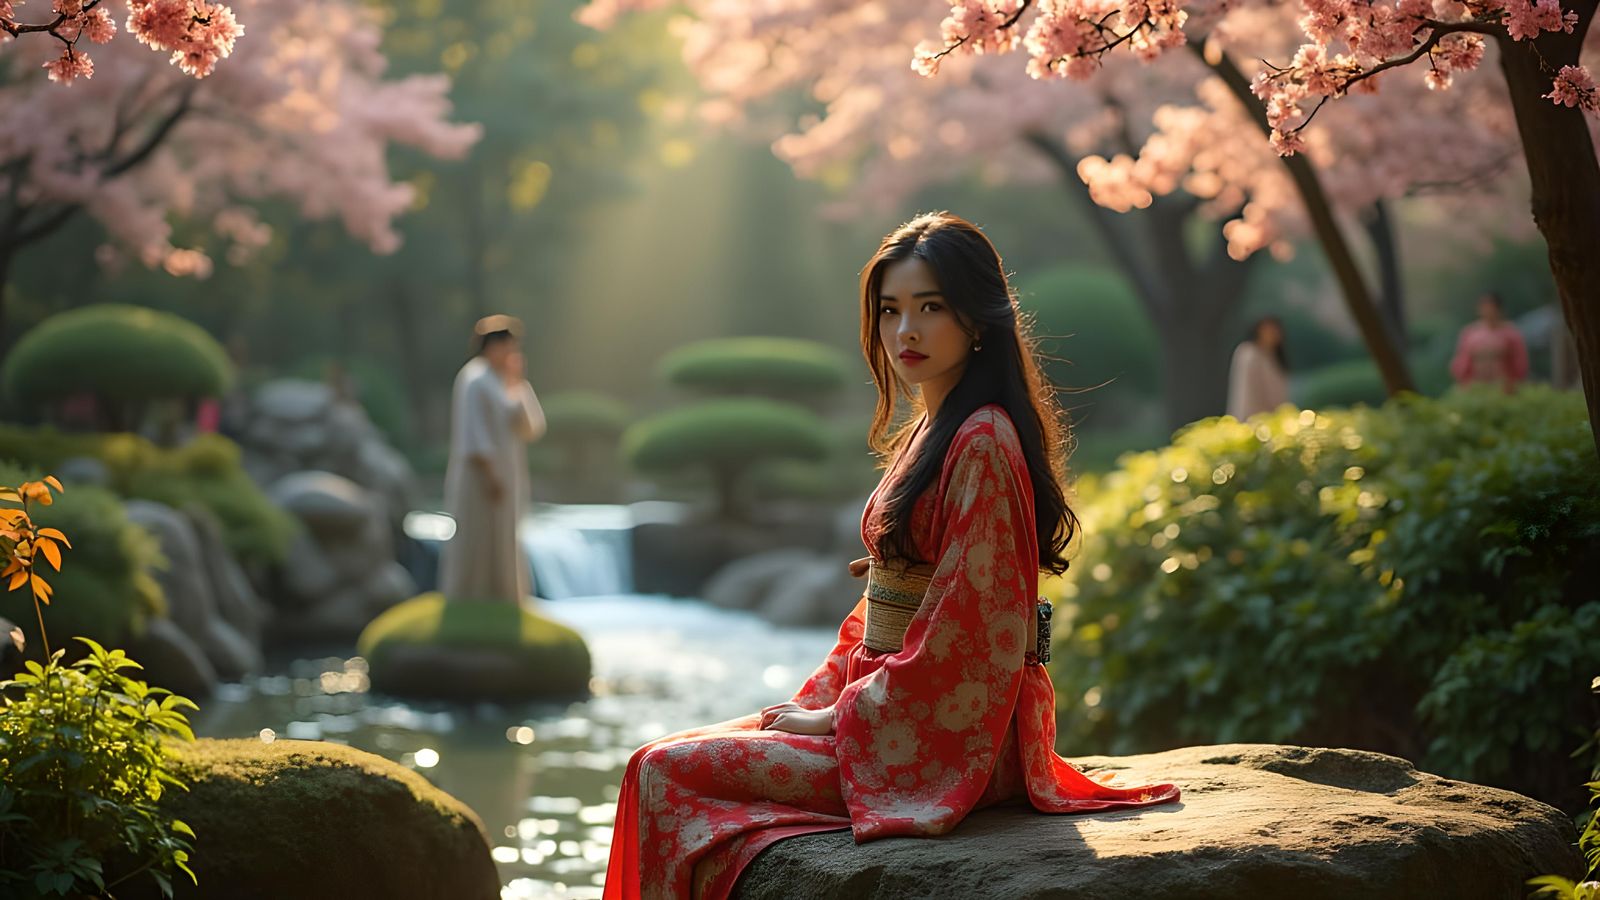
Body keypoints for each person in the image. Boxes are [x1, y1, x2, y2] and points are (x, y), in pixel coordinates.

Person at [602, 213, 1180, 900]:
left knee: (665, 771)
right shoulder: (935, 428)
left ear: (976, 319)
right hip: (888, 713)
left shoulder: (984, 441)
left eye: (930, 308)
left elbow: (970, 629)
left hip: (955, 735)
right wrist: (820, 698)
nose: (906, 330)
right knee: (657, 759)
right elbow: (880, 607)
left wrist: (839, 717)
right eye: (890, 310)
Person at [438, 314, 546, 604]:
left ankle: (505, 597)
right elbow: (474, 435)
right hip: (480, 477)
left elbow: (532, 427)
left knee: (504, 538)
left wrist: (518, 382)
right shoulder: (475, 379)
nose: (511, 353)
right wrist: (491, 476)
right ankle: (469, 598)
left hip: (506, 475)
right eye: (507, 347)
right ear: (492, 346)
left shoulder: (502, 382)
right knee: (477, 538)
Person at [1450, 292, 1529, 392]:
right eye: (1484, 307)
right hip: (1475, 387)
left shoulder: (1511, 333)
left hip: (1504, 388)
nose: (1488, 311)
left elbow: (1520, 364)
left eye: (1491, 307)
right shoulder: (1470, 333)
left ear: (1499, 309)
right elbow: (1462, 362)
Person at [1227, 316, 1290, 420]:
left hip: (1274, 420)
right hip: (1253, 420)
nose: (1272, 333)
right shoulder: (1249, 353)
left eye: (1275, 329)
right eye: (1267, 329)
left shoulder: (1274, 357)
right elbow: (1246, 394)